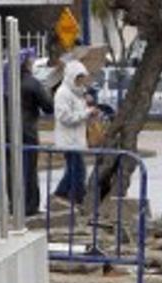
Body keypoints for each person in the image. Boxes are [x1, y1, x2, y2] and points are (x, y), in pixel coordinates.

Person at [53, 60, 97, 205]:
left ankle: (65, 195)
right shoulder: (63, 93)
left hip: (77, 138)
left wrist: (89, 107)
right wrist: (86, 113)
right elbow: (65, 117)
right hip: (68, 139)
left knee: (75, 170)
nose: (81, 81)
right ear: (71, 77)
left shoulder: (79, 93)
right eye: (79, 78)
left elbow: (78, 111)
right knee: (78, 171)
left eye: (82, 78)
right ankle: (69, 196)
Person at [19, 48, 53, 216]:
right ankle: (30, 206)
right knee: (30, 169)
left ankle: (14, 204)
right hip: (28, 131)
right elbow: (48, 107)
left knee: (13, 168)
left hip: (8, 131)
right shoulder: (32, 83)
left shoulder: (3, 81)